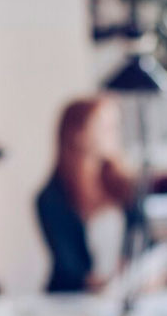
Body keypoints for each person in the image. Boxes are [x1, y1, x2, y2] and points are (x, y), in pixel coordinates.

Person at [36, 95, 144, 293]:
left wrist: (141, 274)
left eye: (115, 126)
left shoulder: (125, 186)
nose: (114, 134)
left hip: (125, 294)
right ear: (78, 134)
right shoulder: (51, 198)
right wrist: (98, 283)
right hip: (73, 299)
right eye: (105, 127)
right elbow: (67, 266)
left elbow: (143, 237)